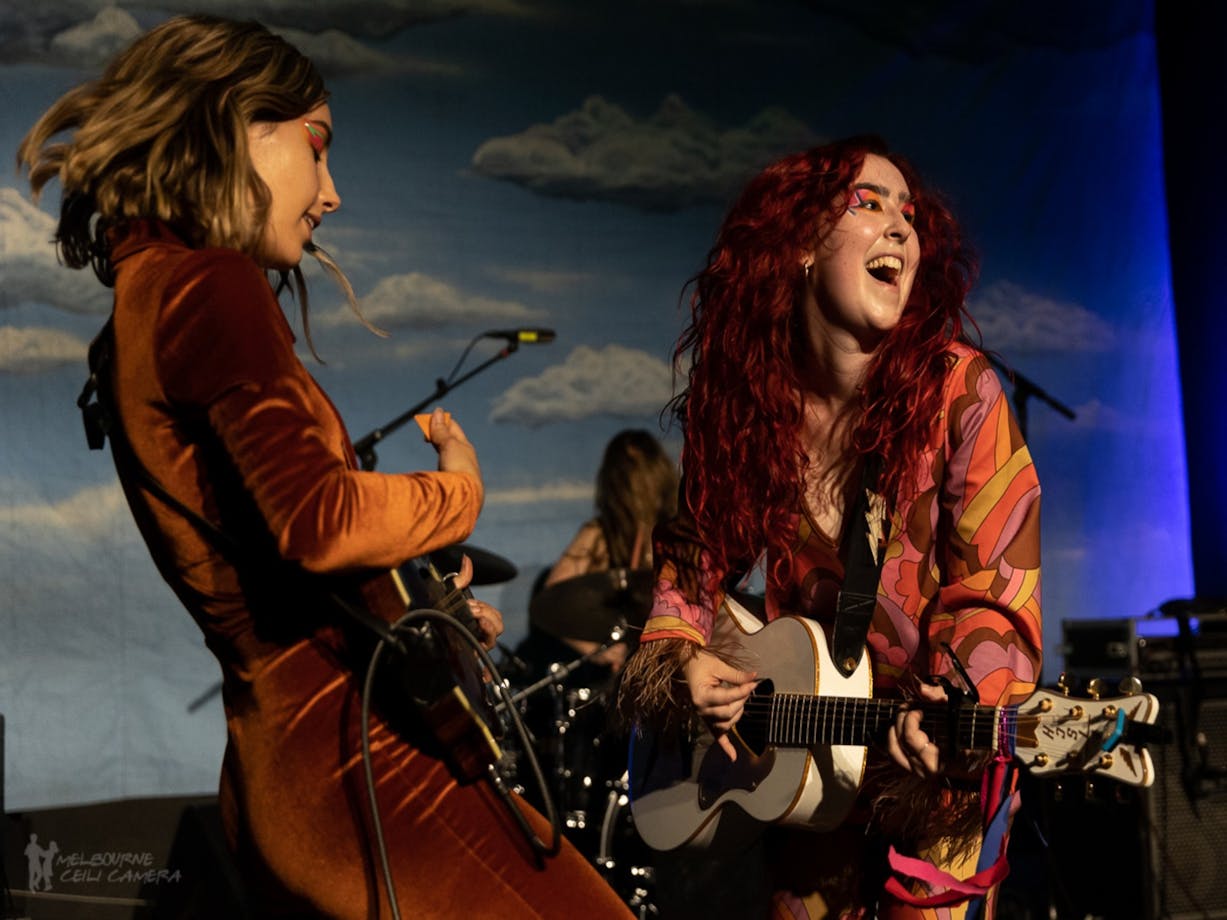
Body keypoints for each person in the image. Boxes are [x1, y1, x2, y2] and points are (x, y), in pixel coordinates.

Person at [17, 16, 632, 919]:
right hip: (360, 766)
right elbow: (319, 524)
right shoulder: (207, 283)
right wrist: (454, 494)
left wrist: (422, 606)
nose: (332, 192)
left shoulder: (142, 300)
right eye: (319, 146)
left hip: (289, 769)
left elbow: (268, 556)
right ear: (238, 127)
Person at [617, 136, 1043, 919]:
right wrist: (680, 657)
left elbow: (993, 592)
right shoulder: (749, 412)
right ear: (800, 247)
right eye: (867, 203)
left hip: (933, 766)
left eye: (908, 215)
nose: (899, 229)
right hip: (804, 776)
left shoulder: (961, 394)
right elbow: (694, 560)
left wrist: (955, 701)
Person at [541, 429, 679, 673]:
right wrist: (594, 648)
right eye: (629, 475)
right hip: (615, 671)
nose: (638, 485)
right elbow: (550, 605)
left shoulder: (679, 534)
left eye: (644, 473)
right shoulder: (598, 534)